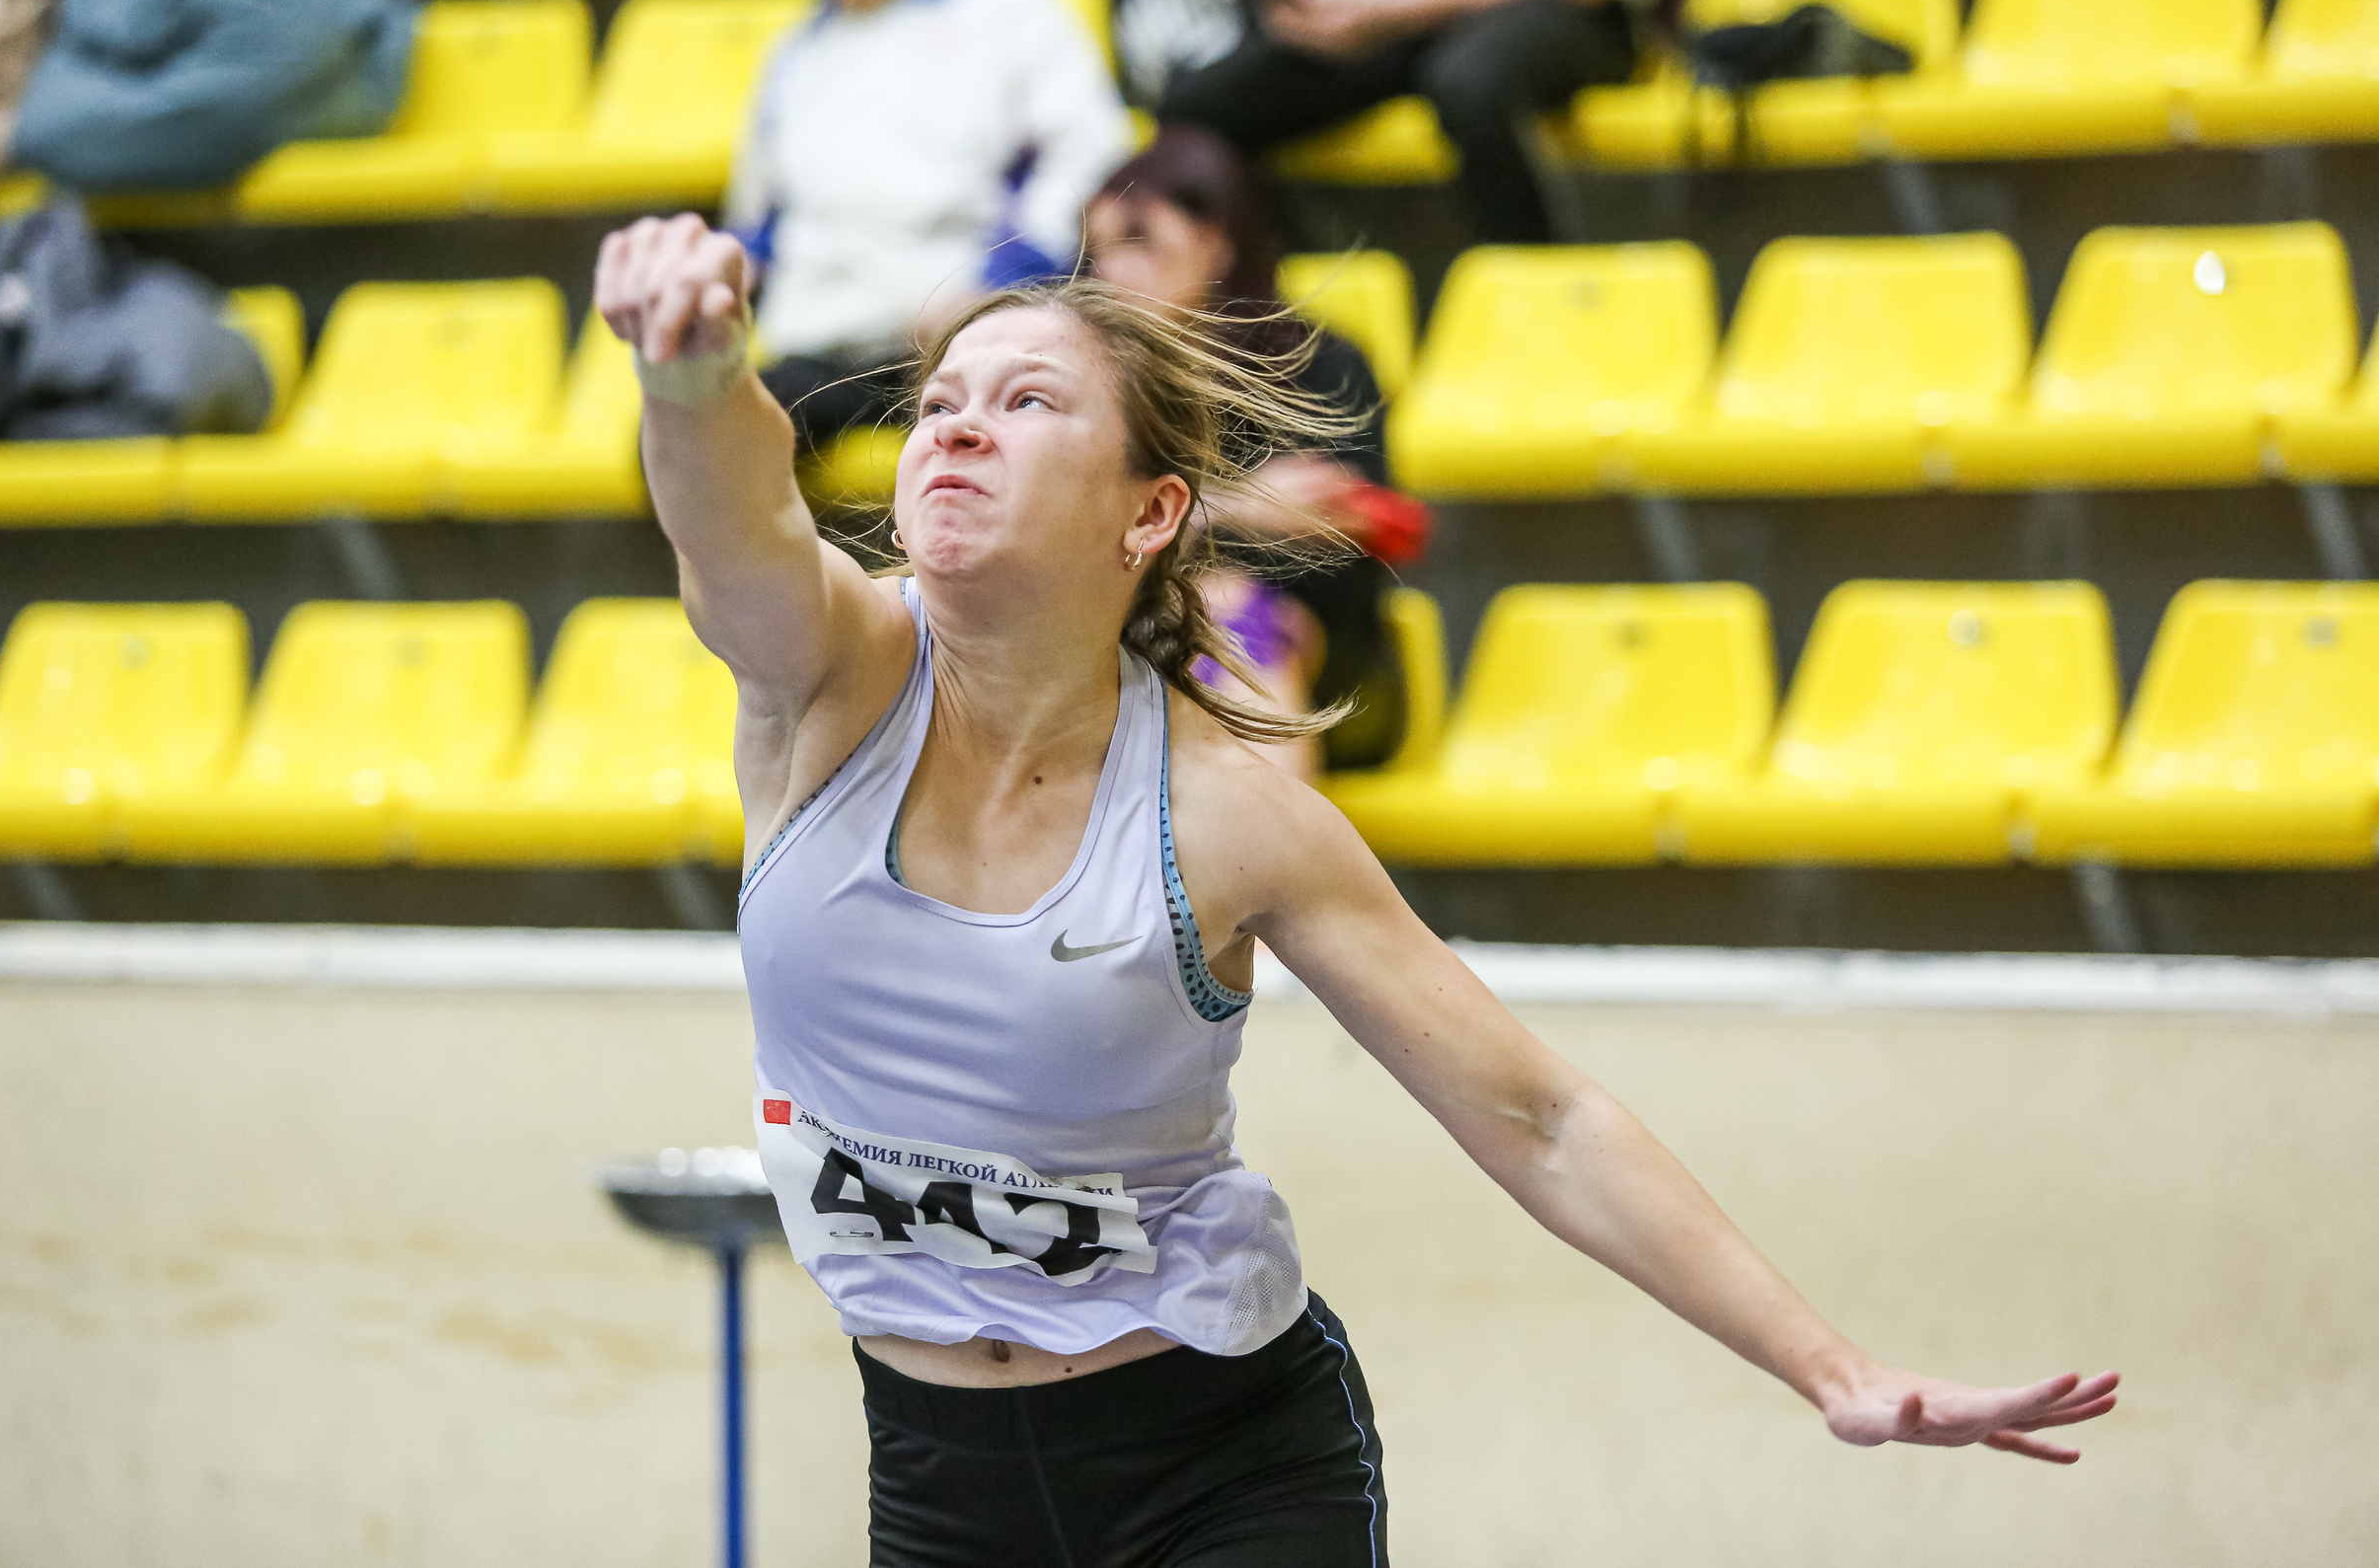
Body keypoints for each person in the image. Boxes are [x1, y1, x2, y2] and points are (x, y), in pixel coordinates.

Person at [595, 211, 2119, 1564]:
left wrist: (1831, 1366)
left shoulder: (1231, 814)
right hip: (935, 1476)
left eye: (1028, 400)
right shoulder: (823, 683)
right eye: (938, 406)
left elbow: (1545, 1114)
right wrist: (695, 371)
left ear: (1151, 511)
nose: (957, 431)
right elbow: (734, 518)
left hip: (1222, 1464)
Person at [729, 0, 1133, 455]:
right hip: (819, 349)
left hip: (971, 334)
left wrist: (997, 287)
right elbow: (759, 219)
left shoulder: (1009, 8)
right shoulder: (794, 54)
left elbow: (1088, 155)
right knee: (683, 448)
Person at [1084, 123, 1424, 782]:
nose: (1108, 274)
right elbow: (1079, 549)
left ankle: (1263, 883)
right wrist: (1232, 507)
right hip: (1137, 648)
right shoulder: (1090, 380)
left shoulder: (1320, 364)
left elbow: (1356, 549)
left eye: (1138, 242)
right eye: (1095, 252)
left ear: (1215, 244)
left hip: (1334, 676)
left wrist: (1173, 533)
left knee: (1233, 612)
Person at [1158, 0, 1672, 246]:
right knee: (1202, 107)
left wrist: (1395, 1)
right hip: (1407, 13)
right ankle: (1278, 319)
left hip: (1573, 13)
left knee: (1468, 82)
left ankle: (1542, 299)